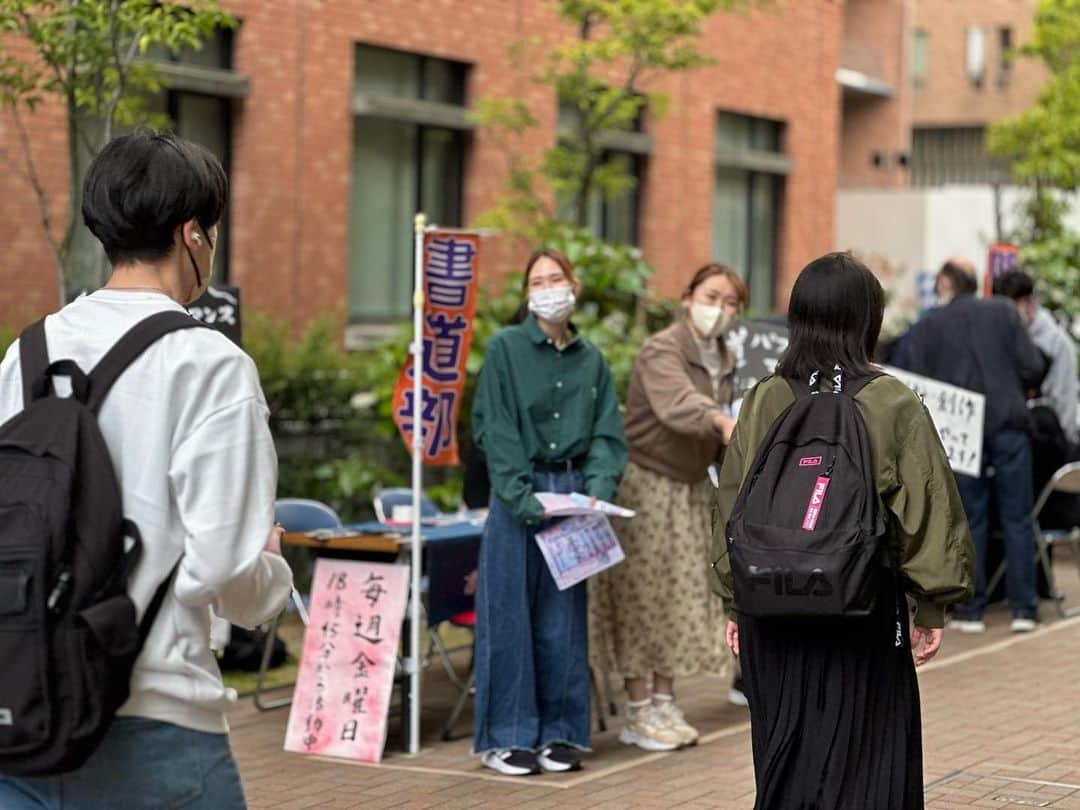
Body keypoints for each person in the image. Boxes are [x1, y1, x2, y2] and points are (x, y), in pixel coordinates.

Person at [0, 131, 292, 808]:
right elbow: (225, 571)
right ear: (192, 233)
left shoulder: (26, 352)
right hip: (156, 726)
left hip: (25, 710)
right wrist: (272, 570)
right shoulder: (211, 365)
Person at [712, 252, 974, 810]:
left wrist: (736, 603)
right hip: (862, 608)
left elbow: (732, 504)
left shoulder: (764, 397)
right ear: (867, 320)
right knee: (869, 754)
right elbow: (927, 511)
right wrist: (931, 606)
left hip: (770, 608)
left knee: (784, 757)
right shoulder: (891, 401)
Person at [471, 248, 627, 776]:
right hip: (521, 490)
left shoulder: (592, 360)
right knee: (509, 615)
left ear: (574, 284)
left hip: (574, 491)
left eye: (555, 277)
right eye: (537, 281)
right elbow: (496, 428)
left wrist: (596, 491)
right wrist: (521, 497)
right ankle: (506, 737)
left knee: (563, 621)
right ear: (527, 294)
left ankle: (560, 733)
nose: (547, 288)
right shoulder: (505, 348)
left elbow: (608, 433)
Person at [589, 263, 744, 752]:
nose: (720, 309)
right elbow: (677, 405)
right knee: (642, 596)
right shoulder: (663, 349)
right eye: (712, 296)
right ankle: (638, 710)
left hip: (691, 488)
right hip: (648, 485)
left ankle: (664, 701)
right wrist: (721, 422)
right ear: (687, 296)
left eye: (731, 302)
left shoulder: (724, 356)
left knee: (680, 597)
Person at [896, 257, 1046, 634]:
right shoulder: (1002, 312)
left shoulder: (930, 325)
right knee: (1018, 517)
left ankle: (970, 610)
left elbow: (904, 370)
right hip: (1008, 423)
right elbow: (1032, 364)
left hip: (961, 432)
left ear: (945, 283)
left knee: (969, 519)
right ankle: (1024, 608)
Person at [994, 269, 1078, 443]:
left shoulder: (1057, 344)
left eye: (1010, 310)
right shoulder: (998, 336)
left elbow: (1064, 402)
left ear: (1030, 303)